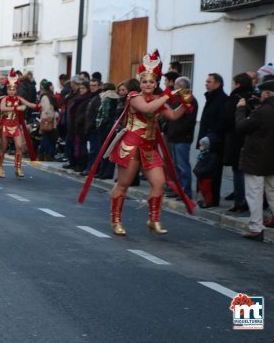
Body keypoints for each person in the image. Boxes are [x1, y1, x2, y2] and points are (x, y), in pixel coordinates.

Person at [79, 50, 195, 236]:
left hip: (149, 147)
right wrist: (168, 95)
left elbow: (173, 115)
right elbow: (148, 108)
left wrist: (186, 103)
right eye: (144, 81)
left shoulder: (159, 99)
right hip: (131, 146)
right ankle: (116, 220)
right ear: (140, 83)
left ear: (156, 83)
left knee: (159, 183)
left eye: (151, 81)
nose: (148, 84)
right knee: (123, 184)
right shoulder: (134, 96)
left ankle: (153, 219)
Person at [235, 79, 274, 240]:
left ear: (266, 94)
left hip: (256, 158)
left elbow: (242, 127)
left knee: (255, 193)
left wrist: (240, 110)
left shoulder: (262, 111)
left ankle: (256, 228)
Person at [0, 69, 40, 178]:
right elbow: (3, 109)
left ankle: (18, 168)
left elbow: (29, 104)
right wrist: (16, 108)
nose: (11, 91)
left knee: (19, 146)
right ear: (7, 89)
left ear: (16, 89)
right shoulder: (4, 99)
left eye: (13, 89)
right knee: (3, 148)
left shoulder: (19, 98)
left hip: (16, 125)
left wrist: (38, 106)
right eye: (9, 89)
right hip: (5, 125)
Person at [222, 73, 253, 213]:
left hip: (236, 138)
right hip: (250, 138)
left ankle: (240, 201)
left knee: (238, 170)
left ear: (238, 84)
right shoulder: (253, 97)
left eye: (234, 83)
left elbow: (228, 119)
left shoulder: (235, 98)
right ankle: (247, 201)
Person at [197, 73, 228, 207]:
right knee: (205, 171)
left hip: (214, 142)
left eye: (209, 81)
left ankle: (212, 200)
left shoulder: (222, 99)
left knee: (212, 173)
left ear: (217, 84)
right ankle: (206, 198)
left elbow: (221, 122)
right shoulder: (211, 97)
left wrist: (211, 137)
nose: (206, 83)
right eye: (206, 81)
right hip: (207, 141)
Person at [165, 77, 198, 198]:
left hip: (182, 138)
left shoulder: (189, 100)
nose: (174, 90)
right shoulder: (177, 99)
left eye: (176, 88)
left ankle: (186, 192)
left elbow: (188, 121)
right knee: (175, 166)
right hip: (173, 136)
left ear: (182, 88)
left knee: (183, 166)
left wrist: (176, 130)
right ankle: (177, 190)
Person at [193, 136, 221, 207]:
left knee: (206, 189)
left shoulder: (212, 155)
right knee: (201, 188)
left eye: (201, 145)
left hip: (207, 176)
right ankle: (204, 200)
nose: (200, 147)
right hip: (201, 175)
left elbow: (210, 166)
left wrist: (201, 171)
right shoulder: (202, 154)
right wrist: (196, 170)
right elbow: (199, 163)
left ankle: (208, 202)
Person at [37, 80, 59, 161]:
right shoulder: (46, 96)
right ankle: (45, 154)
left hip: (49, 119)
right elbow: (46, 109)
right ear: (49, 87)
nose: (53, 87)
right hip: (49, 120)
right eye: (52, 85)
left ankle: (44, 154)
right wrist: (55, 115)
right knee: (48, 138)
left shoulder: (48, 95)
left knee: (48, 137)